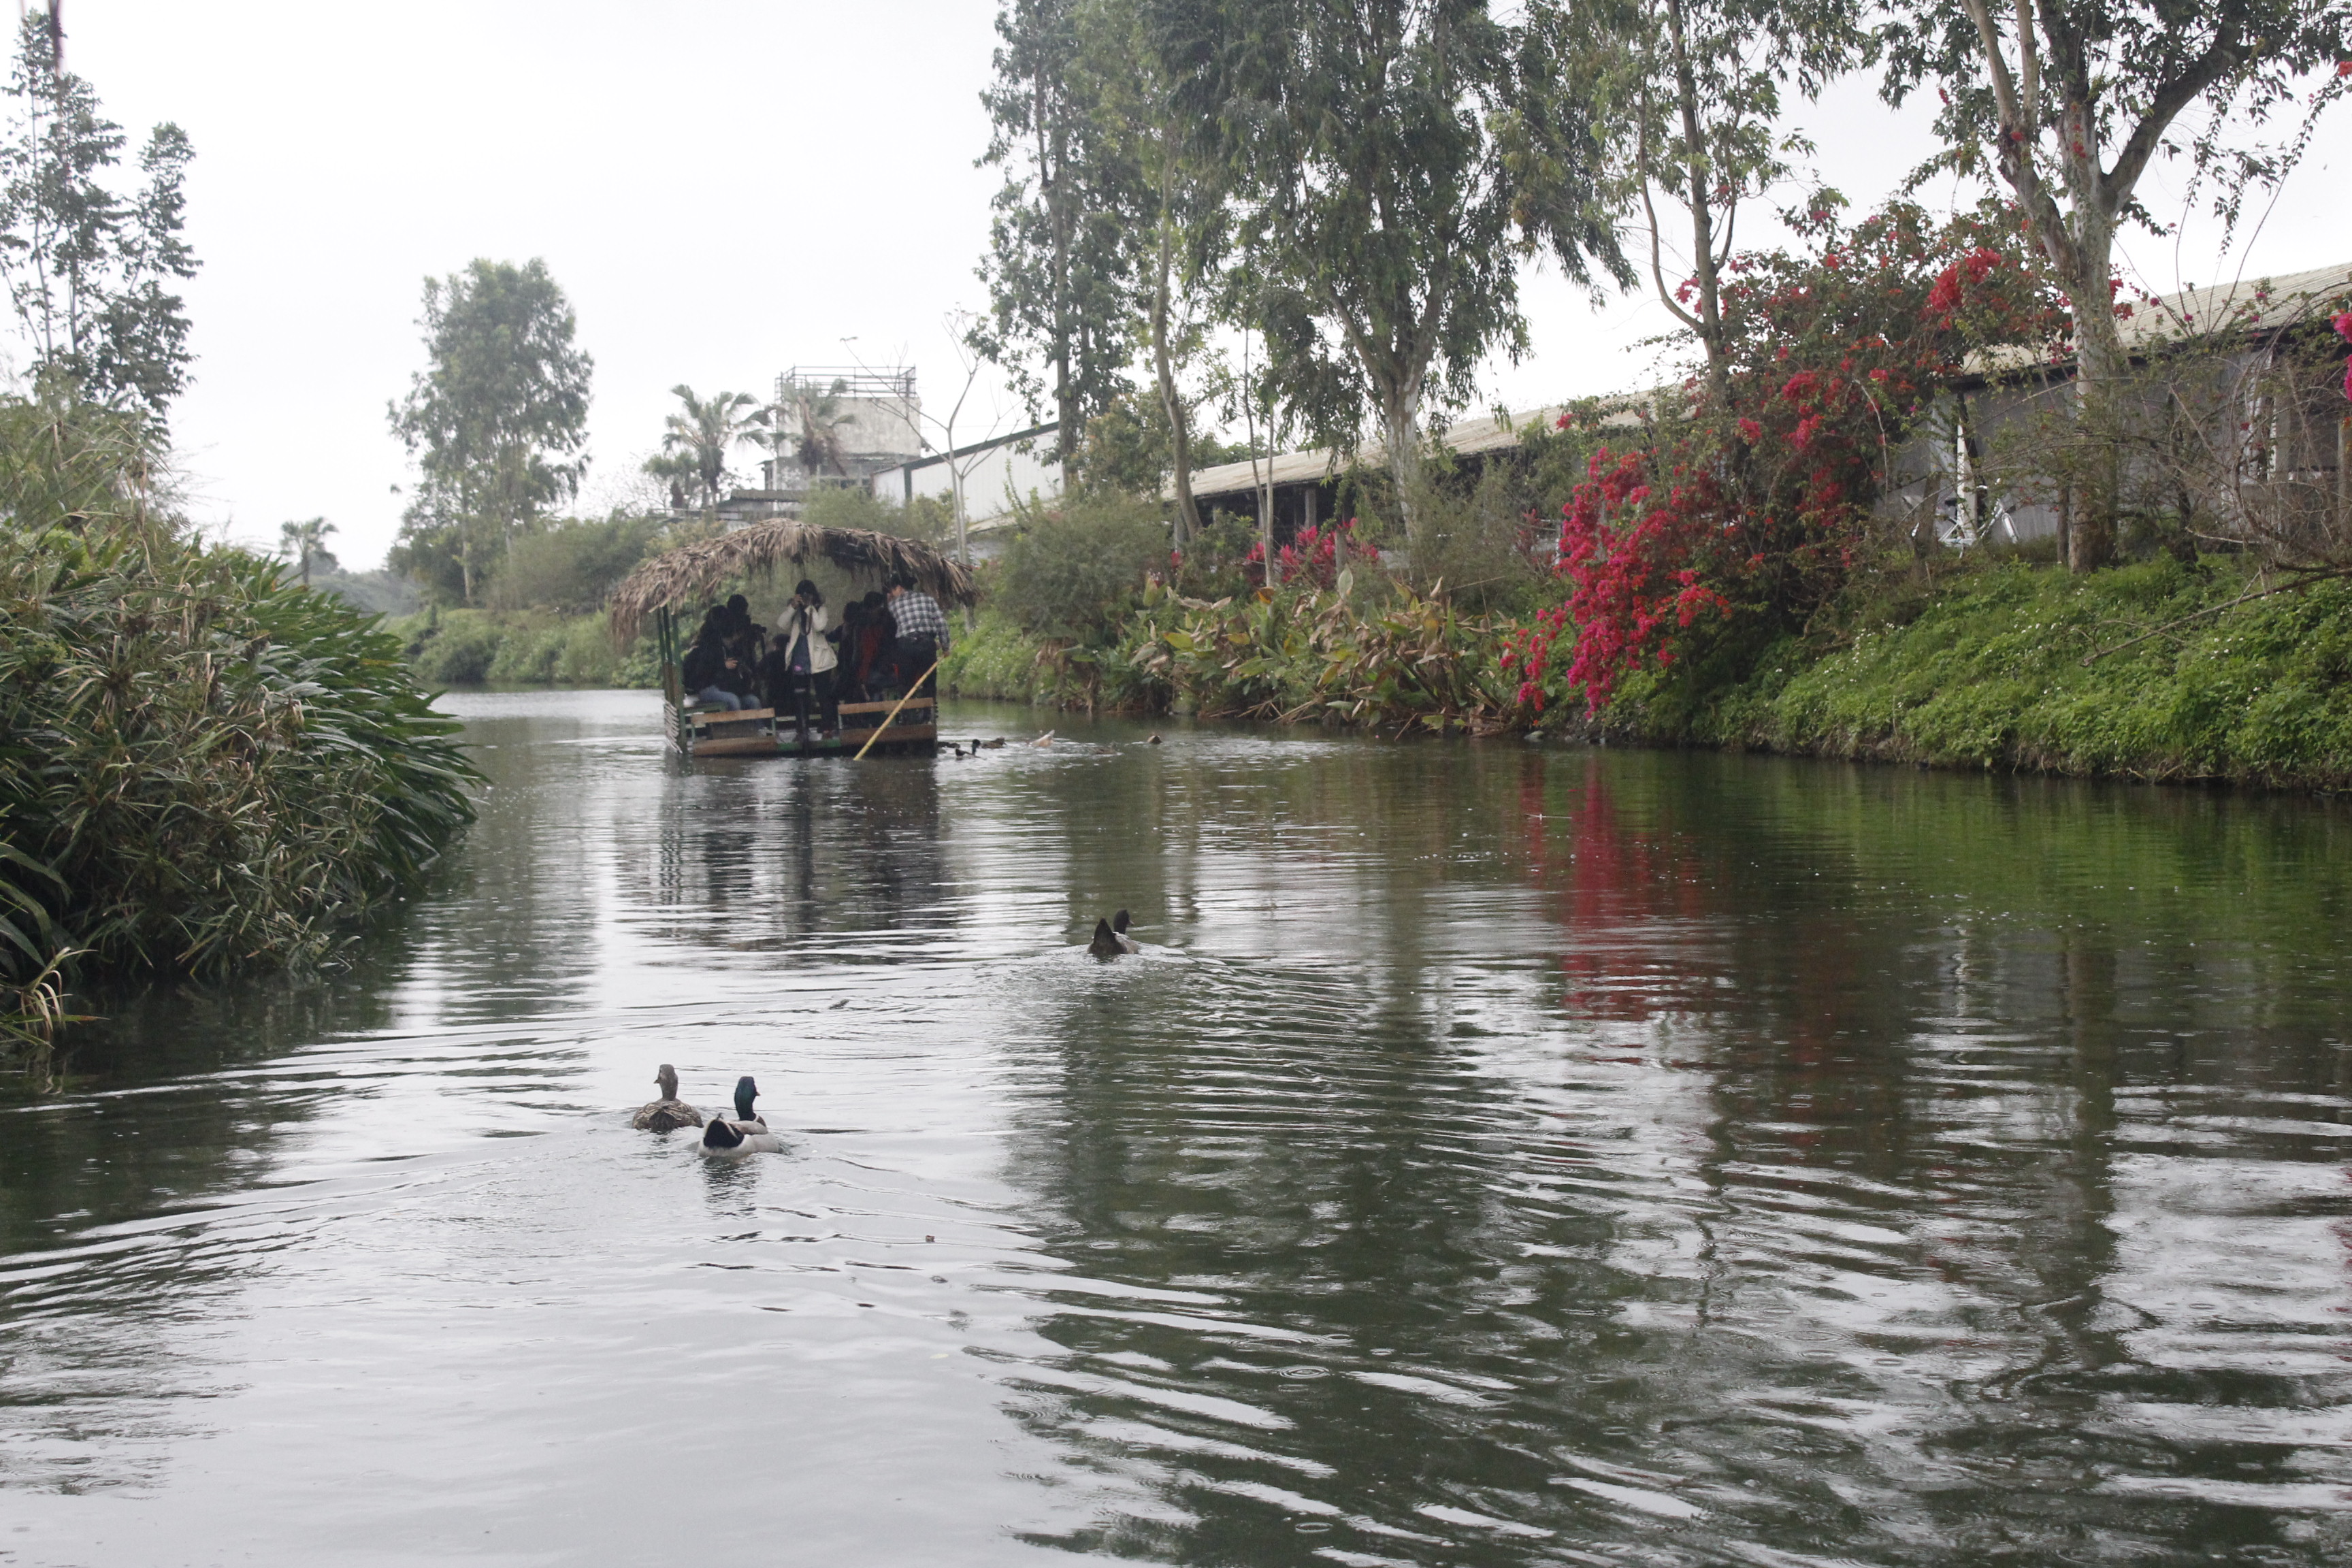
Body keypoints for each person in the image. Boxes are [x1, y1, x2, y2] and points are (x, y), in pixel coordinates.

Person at [766, 578, 839, 736]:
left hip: (820, 661)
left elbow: (820, 626)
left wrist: (810, 607)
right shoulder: (795, 611)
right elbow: (781, 624)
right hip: (800, 659)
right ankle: (802, 729)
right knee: (801, 696)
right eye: (802, 595)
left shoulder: (821, 609)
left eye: (808, 595)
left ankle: (827, 726)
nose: (805, 598)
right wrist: (793, 607)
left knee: (823, 695)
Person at [884, 574, 949, 697]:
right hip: (927, 644)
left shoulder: (893, 605)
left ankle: (908, 713)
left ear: (899, 588)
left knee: (906, 684)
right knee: (929, 683)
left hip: (905, 646)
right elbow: (941, 623)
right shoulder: (928, 600)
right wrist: (945, 647)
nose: (892, 594)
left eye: (892, 590)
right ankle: (929, 711)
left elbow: (889, 630)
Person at [681, 626, 748, 710]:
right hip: (707, 688)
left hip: (726, 687)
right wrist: (723, 665)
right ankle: (734, 724)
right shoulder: (701, 651)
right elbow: (703, 671)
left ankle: (757, 724)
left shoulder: (729, 650)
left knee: (753, 701)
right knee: (733, 700)